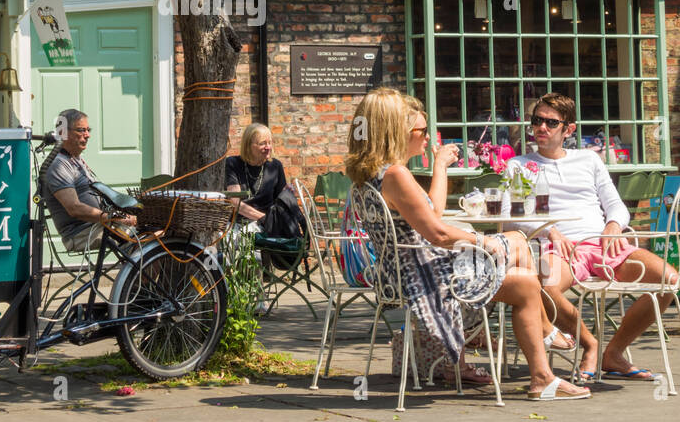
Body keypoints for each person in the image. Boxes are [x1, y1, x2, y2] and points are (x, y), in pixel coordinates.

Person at [345, 88, 589, 400]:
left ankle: (544, 361)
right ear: (397, 132)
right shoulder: (396, 174)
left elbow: (431, 213)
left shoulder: (371, 174)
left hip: (402, 272)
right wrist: (482, 240)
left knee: (521, 263)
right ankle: (545, 347)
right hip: (425, 277)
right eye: (421, 130)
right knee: (519, 252)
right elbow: (439, 234)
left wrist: (440, 167)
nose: (426, 136)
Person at [510, 92, 680, 380]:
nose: (541, 128)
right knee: (546, 287)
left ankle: (613, 353)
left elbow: (615, 205)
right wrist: (551, 230)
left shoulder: (588, 160)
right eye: (537, 121)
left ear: (569, 129)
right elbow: (513, 215)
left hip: (600, 244)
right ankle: (590, 344)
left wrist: (613, 227)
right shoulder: (520, 165)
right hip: (556, 246)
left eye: (551, 123)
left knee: (668, 280)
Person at [42, 109, 134, 253]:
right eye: (81, 130)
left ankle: (138, 273)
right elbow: (74, 208)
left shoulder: (74, 159)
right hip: (82, 233)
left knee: (156, 228)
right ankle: (136, 273)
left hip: (98, 225)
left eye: (88, 130)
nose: (88, 135)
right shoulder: (58, 165)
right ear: (62, 133)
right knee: (147, 236)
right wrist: (114, 218)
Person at [225, 124, 287, 228]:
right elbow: (235, 202)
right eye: (262, 143)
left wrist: (288, 194)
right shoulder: (232, 164)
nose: (268, 147)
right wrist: (264, 218)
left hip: (267, 227)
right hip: (238, 224)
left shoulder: (275, 166)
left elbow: (281, 202)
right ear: (248, 146)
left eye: (270, 143)